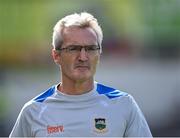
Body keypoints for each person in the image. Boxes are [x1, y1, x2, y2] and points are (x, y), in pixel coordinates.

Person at [9, 12, 152, 137]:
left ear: (99, 54)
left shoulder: (124, 104)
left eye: (91, 49)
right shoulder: (33, 111)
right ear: (56, 55)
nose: (83, 57)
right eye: (73, 49)